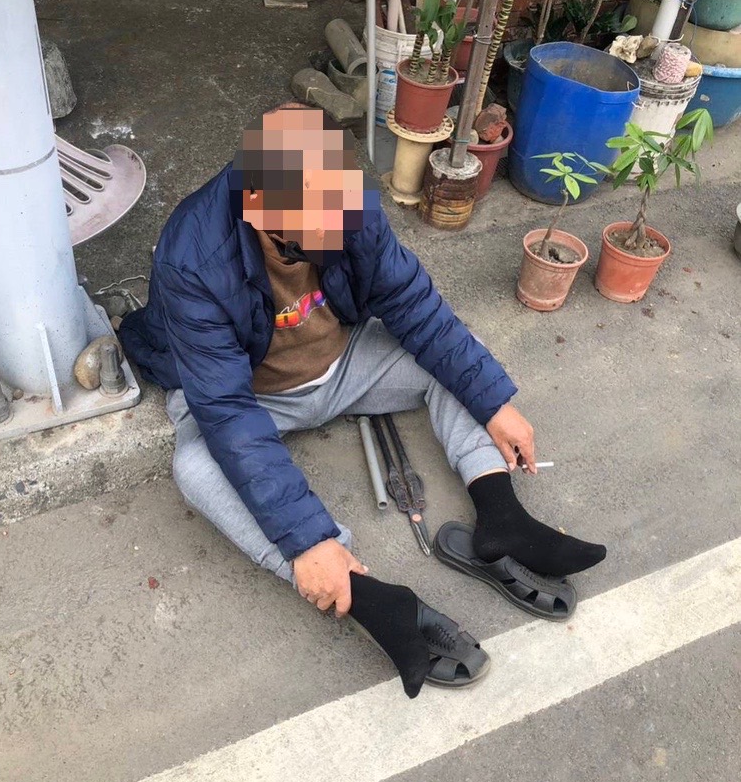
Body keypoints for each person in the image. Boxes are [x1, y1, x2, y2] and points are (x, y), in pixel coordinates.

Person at [120, 105, 606, 698]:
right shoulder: (190, 255)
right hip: (253, 395)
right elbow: (226, 411)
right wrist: (306, 540)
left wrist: (492, 403)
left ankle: (503, 519)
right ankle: (372, 601)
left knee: (462, 360)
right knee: (195, 468)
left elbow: (413, 304)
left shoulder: (347, 202)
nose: (337, 234)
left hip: (347, 361)